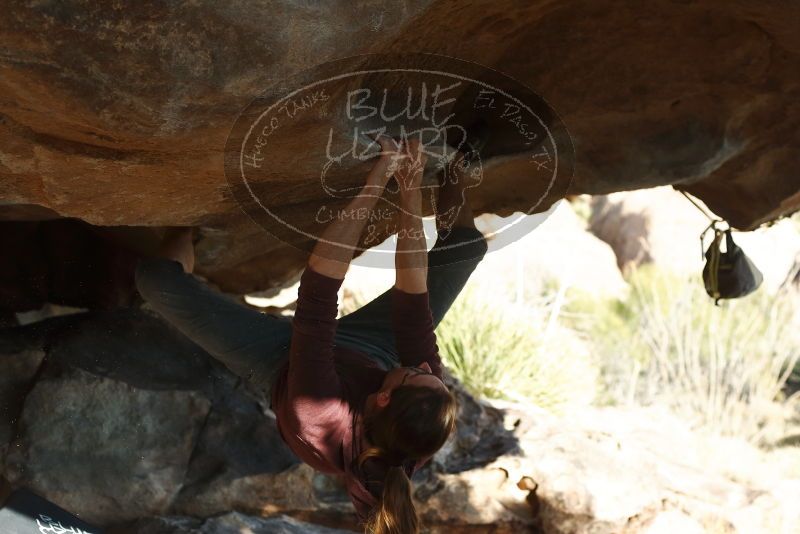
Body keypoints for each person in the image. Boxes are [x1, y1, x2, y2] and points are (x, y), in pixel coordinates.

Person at [134, 136, 488, 534]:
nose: (425, 365)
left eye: (416, 373)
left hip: (278, 360)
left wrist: (378, 178)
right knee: (465, 249)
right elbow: (413, 292)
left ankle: (185, 230)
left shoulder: (320, 415)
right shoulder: (421, 418)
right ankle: (459, 165)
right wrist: (410, 187)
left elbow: (319, 291)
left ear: (384, 397)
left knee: (154, 281)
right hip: (375, 352)